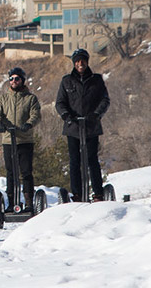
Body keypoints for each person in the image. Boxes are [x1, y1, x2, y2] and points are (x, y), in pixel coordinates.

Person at [55, 48, 110, 202]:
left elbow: (105, 100)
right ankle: (77, 194)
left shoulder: (96, 80)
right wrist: (66, 116)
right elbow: (60, 103)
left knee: (92, 160)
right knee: (74, 161)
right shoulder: (66, 81)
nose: (80, 64)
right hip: (73, 128)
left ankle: (98, 194)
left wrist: (96, 115)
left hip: (91, 127)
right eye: (78, 61)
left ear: (87, 62)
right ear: (74, 63)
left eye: (83, 61)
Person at [0, 67, 41, 211]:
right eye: (11, 78)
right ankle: (12, 202)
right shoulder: (3, 98)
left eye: (17, 78)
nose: (14, 81)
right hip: (8, 140)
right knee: (10, 172)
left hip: (24, 140)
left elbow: (36, 114)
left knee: (26, 172)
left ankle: (28, 202)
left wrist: (29, 124)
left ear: (22, 80)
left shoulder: (30, 98)